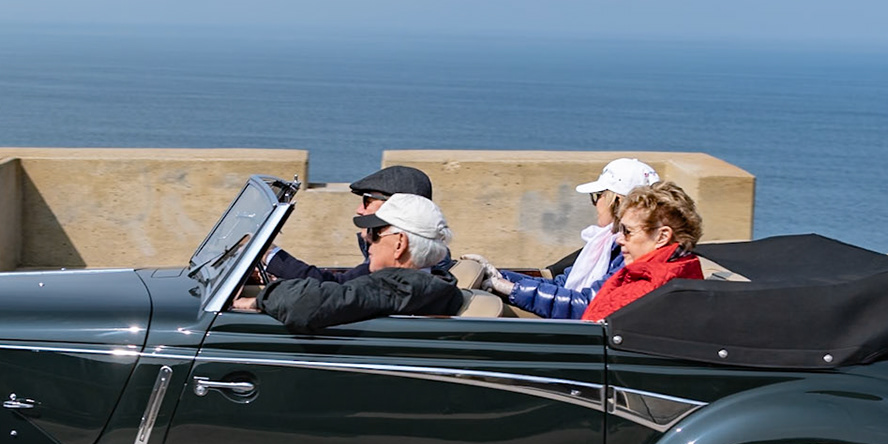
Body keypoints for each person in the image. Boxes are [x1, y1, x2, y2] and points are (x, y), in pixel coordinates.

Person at [458, 157, 660, 318]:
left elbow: (585, 304)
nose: (595, 204)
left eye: (598, 196)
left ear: (617, 200)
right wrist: (500, 277)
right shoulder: (604, 243)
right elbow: (562, 285)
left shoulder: (626, 253)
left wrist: (510, 289)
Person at [234, 193, 463, 333]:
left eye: (374, 232)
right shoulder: (433, 284)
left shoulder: (397, 288)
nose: (365, 237)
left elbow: (307, 305)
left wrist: (258, 301)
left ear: (399, 243)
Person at [263, 165, 451, 283]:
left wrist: (267, 252)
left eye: (367, 201)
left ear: (398, 206)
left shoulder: (413, 266)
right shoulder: (394, 257)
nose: (359, 210)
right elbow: (340, 282)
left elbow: (332, 293)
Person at [580, 181, 704, 321]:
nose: (619, 240)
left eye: (627, 231)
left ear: (662, 237)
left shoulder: (643, 291)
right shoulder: (684, 269)